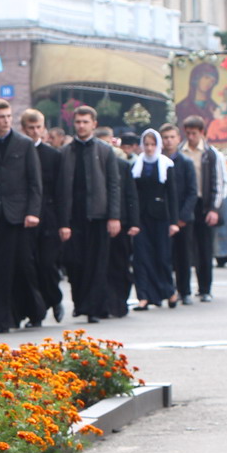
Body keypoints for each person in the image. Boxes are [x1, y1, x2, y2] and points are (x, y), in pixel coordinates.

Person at [0, 99, 43, 333]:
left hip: (20, 215)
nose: (6, 121)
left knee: (24, 266)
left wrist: (33, 212)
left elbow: (35, 181)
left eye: (8, 116)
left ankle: (34, 311)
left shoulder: (24, 145)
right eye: (1, 117)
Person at [57, 105, 121, 323]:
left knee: (97, 263)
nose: (81, 126)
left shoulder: (105, 151)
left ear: (94, 124)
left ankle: (94, 308)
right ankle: (80, 303)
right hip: (74, 217)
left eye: (85, 122)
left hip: (98, 215)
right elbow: (60, 189)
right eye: (78, 122)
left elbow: (113, 185)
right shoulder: (65, 152)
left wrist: (114, 216)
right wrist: (63, 222)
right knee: (75, 262)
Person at [21, 109, 65, 326]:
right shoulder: (20, 152)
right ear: (24, 129)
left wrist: (63, 222)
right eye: (30, 128)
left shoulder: (53, 155)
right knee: (29, 266)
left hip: (48, 216)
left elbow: (60, 190)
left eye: (38, 127)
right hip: (25, 216)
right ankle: (36, 312)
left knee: (48, 263)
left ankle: (54, 298)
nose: (35, 132)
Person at [179, 116, 227, 301]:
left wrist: (214, 208)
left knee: (204, 248)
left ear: (202, 133)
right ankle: (183, 290)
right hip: (186, 203)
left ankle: (205, 288)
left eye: (194, 133)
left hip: (204, 204)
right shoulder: (180, 152)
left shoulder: (211, 155)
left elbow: (219, 183)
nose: (191, 137)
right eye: (188, 133)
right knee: (184, 248)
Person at [130, 129, 178, 309]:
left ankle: (169, 291)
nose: (149, 148)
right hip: (141, 218)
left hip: (161, 217)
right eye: (147, 144)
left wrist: (174, 222)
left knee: (162, 256)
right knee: (141, 257)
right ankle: (144, 296)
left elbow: (172, 195)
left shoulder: (166, 164)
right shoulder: (136, 165)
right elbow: (133, 194)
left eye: (153, 145)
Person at [159, 124, 199, 301]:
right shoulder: (157, 161)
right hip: (162, 216)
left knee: (183, 256)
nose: (168, 141)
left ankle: (185, 291)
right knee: (164, 256)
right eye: (165, 137)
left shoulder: (186, 162)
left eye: (172, 137)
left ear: (178, 139)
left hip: (183, 218)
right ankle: (167, 290)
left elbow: (192, 192)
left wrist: (182, 217)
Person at [106, 131, 142, 318]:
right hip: (100, 222)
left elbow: (131, 196)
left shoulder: (123, 166)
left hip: (123, 222)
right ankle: (105, 303)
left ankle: (120, 301)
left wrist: (134, 222)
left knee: (120, 264)